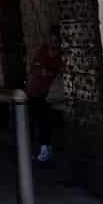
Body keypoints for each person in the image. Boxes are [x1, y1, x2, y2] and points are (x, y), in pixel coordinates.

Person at [27, 24, 63, 164]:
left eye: (56, 41)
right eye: (52, 40)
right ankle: (35, 147)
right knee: (30, 113)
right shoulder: (43, 52)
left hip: (52, 93)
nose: (53, 44)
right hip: (39, 91)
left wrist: (50, 72)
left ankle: (45, 147)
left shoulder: (61, 55)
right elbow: (34, 68)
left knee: (43, 113)